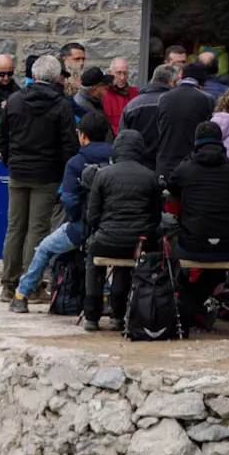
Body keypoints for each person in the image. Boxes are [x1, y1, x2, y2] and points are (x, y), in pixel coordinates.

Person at [0, 54, 80, 300]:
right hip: (47, 174)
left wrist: (9, 161)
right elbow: (69, 145)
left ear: (33, 76)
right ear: (56, 78)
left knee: (15, 227)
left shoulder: (14, 100)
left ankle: (9, 284)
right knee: (38, 228)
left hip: (18, 171)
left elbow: (1, 136)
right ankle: (30, 284)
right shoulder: (62, 105)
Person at [16, 109, 116, 303]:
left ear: (83, 135)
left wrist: (78, 218)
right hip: (113, 226)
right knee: (93, 254)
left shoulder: (76, 163)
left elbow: (69, 199)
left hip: (83, 227)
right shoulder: (117, 159)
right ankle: (105, 298)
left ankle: (21, 295)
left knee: (45, 248)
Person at [77, 127, 164, 330]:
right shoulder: (150, 176)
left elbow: (92, 216)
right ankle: (117, 315)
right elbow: (156, 216)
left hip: (107, 239)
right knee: (126, 260)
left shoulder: (103, 175)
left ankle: (91, 315)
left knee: (93, 258)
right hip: (139, 243)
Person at [163, 120, 229, 324]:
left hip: (192, 244)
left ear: (196, 142)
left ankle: (184, 303)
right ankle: (191, 305)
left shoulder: (186, 168)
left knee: (166, 237)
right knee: (215, 265)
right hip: (228, 246)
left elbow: (172, 186)